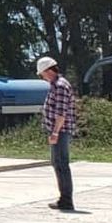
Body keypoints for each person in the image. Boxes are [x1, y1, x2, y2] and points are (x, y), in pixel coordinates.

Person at [37, 56, 77, 211]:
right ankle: (64, 198)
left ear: (49, 71)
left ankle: (66, 200)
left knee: (61, 164)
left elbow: (61, 113)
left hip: (60, 131)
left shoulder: (60, 86)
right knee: (57, 163)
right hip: (58, 131)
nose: (42, 77)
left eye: (42, 73)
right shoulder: (56, 85)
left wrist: (55, 132)